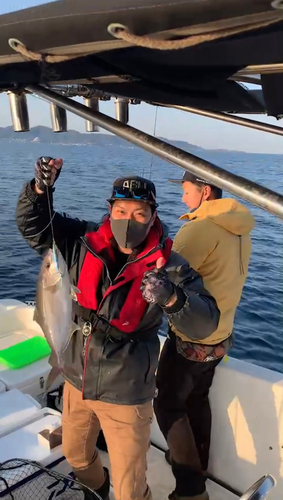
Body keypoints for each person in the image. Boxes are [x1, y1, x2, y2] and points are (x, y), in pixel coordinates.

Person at [16, 158, 220, 500]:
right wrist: (40, 190)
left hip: (126, 390)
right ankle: (95, 491)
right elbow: (34, 224)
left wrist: (172, 297)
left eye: (140, 214)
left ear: (153, 216)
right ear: (109, 210)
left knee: (130, 487)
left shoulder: (169, 264)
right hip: (75, 377)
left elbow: (207, 319)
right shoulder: (80, 241)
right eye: (122, 210)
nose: (129, 220)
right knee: (76, 454)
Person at [154, 171, 255, 500]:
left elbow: (163, 275)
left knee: (168, 404)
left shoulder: (199, 229)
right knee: (196, 399)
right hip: (221, 336)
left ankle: (190, 488)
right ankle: (200, 465)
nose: (183, 199)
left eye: (186, 191)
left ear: (205, 191)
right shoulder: (239, 227)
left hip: (190, 337)